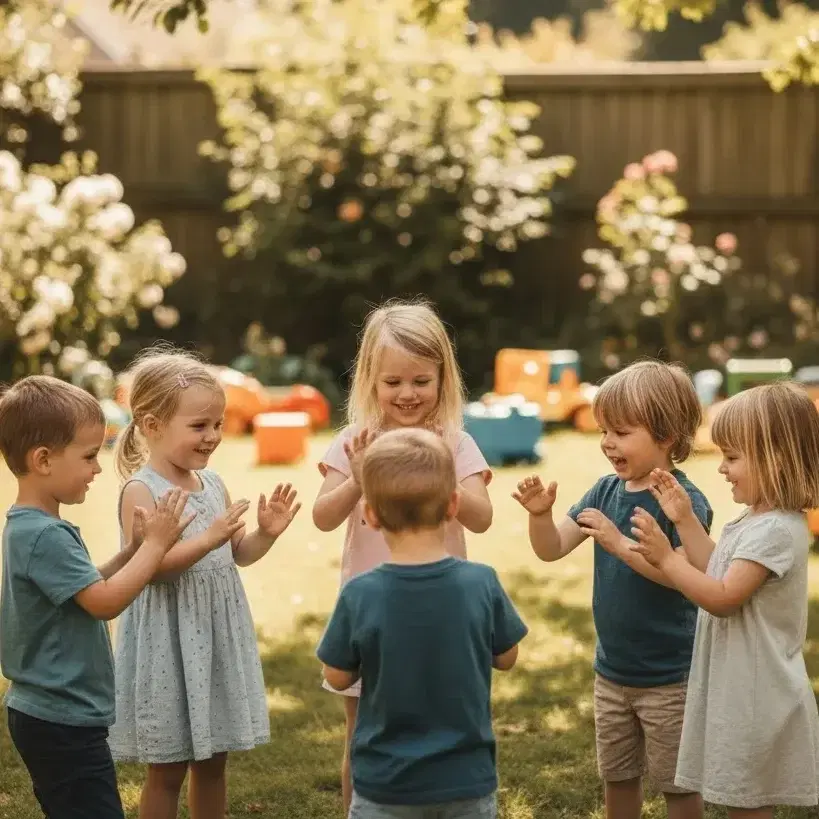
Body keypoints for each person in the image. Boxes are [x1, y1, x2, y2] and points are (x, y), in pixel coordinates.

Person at [312, 300, 493, 813]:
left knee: (443, 722)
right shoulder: (353, 441)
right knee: (361, 734)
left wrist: (443, 472)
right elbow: (324, 517)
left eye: (421, 381)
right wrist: (360, 476)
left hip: (442, 611)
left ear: (443, 378)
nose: (407, 394)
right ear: (370, 379)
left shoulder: (455, 443)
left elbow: (480, 516)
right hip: (370, 613)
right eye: (393, 382)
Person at [513, 360, 713, 819]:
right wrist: (541, 516)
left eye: (621, 432)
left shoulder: (681, 502)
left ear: (664, 436)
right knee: (618, 777)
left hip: (670, 677)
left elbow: (685, 576)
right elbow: (552, 549)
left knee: (677, 786)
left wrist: (620, 544)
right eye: (604, 430)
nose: (607, 443)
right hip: (613, 672)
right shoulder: (605, 491)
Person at [108, 349, 302, 819]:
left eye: (217, 424)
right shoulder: (142, 490)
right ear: (152, 425)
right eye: (199, 426)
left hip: (213, 641)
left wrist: (265, 535)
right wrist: (210, 535)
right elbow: (155, 569)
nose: (213, 436)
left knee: (214, 761)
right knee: (168, 769)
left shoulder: (211, 483)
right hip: (169, 643)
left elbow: (236, 555)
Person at [0, 375, 191, 819]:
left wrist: (131, 551)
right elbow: (103, 602)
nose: (98, 467)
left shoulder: (30, 525)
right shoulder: (45, 534)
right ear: (43, 460)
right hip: (60, 720)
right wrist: (157, 549)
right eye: (89, 455)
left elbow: (81, 588)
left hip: (52, 716)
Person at [631, 381, 819, 817]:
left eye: (732, 457)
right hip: (741, 685)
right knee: (739, 798)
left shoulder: (775, 530)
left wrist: (668, 562)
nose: (721, 469)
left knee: (747, 803)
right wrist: (684, 520)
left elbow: (722, 598)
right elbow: (718, 568)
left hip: (757, 694)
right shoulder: (755, 520)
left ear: (776, 460)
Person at [317, 428, 526, 818]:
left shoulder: (360, 594)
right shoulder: (481, 583)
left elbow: (338, 675)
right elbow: (508, 657)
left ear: (370, 515)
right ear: (452, 506)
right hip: (466, 780)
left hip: (385, 784)